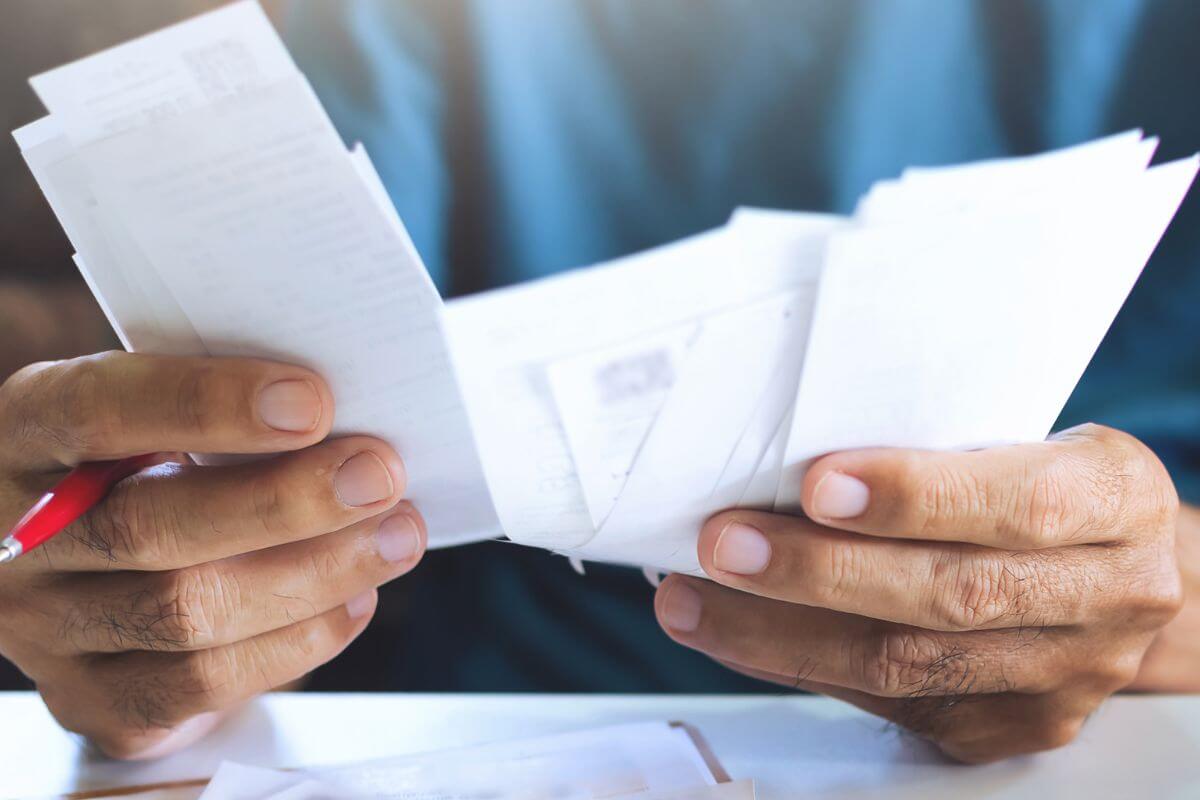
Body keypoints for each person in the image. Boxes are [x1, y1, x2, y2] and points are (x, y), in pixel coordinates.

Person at [0, 0, 1198, 764]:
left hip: (1125, 730)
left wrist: (1139, 593)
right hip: (493, 731)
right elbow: (277, 409)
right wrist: (163, 618)